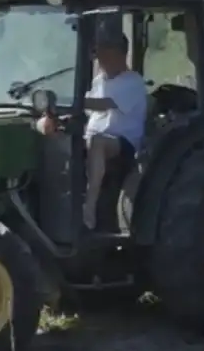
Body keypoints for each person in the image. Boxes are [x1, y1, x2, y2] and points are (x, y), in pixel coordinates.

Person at [38, 29, 148, 231]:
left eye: (105, 53)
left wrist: (67, 102)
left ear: (120, 54)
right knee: (52, 131)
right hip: (94, 136)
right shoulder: (100, 80)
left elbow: (104, 104)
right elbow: (86, 110)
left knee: (97, 141)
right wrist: (57, 117)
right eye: (98, 54)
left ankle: (89, 206)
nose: (100, 59)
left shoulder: (133, 81)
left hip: (122, 142)